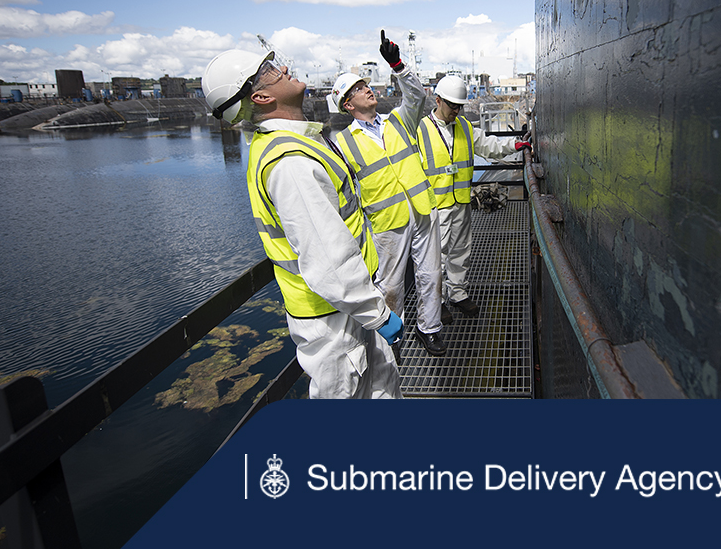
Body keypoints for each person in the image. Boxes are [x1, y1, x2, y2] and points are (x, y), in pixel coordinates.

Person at [201, 48, 403, 399]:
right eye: (270, 69)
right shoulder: (290, 160)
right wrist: (380, 316)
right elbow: (328, 258)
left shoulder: (293, 143)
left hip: (348, 310)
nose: (283, 68)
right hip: (336, 319)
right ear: (260, 96)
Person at [331, 31, 448, 357]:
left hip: (422, 210)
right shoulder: (343, 143)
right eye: (356, 90)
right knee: (391, 286)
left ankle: (431, 329)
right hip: (386, 222)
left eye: (364, 84)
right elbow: (342, 193)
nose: (365, 89)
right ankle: (392, 337)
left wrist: (397, 64)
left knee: (430, 274)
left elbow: (416, 95)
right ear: (348, 104)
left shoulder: (399, 120)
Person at [412, 74, 531, 318]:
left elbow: (488, 146)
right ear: (438, 100)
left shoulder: (465, 127)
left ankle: (457, 293)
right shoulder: (420, 130)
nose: (456, 110)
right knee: (436, 258)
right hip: (435, 207)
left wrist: (514, 146)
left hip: (460, 202)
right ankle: (436, 302)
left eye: (459, 106)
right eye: (452, 105)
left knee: (460, 250)